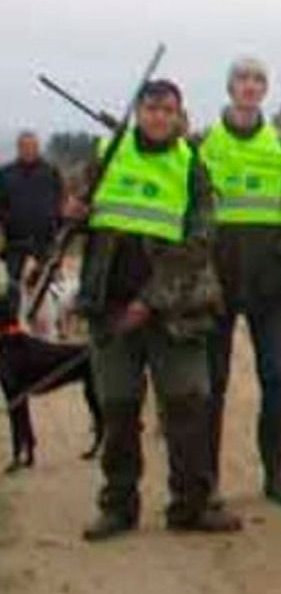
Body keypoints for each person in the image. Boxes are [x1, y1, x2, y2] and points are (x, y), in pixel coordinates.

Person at [77, 79, 241, 540]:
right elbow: (76, 213)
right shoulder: (106, 156)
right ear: (138, 111)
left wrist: (148, 301)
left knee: (188, 406)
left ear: (179, 116)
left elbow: (199, 243)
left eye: (168, 110)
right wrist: (71, 211)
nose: (159, 116)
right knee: (118, 409)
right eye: (151, 108)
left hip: (176, 312)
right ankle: (118, 506)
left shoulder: (192, 167)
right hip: (110, 309)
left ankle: (191, 505)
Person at [197, 57, 281, 507]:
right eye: (243, 79)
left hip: (268, 286)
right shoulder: (201, 145)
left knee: (275, 379)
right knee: (212, 383)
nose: (250, 86)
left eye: (258, 80)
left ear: (265, 90)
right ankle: (206, 481)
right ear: (230, 87)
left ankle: (275, 477)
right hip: (215, 285)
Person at [0, 131, 65, 310]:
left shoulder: (51, 172)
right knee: (12, 286)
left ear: (38, 148)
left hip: (45, 240)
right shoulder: (5, 173)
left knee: (46, 285)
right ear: (18, 148)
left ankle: (44, 320)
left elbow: (60, 201)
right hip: (14, 241)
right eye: (25, 146)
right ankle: (12, 320)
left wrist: (60, 228)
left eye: (33, 146)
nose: (29, 150)